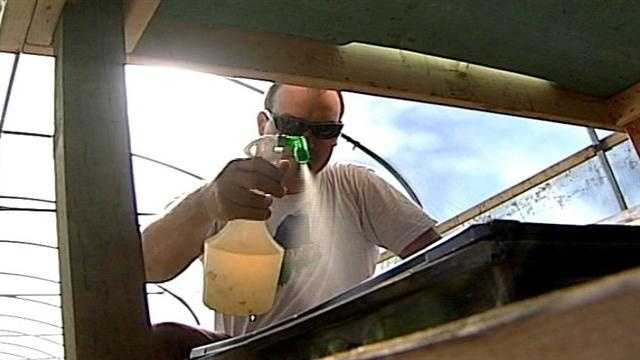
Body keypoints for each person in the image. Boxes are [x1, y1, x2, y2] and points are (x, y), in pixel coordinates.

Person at [143, 83, 441, 359]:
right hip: (246, 352)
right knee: (165, 341)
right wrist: (205, 204)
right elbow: (145, 266)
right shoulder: (226, 194)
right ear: (263, 125)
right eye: (291, 125)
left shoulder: (354, 186)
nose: (305, 143)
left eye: (324, 130)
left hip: (337, 350)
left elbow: (434, 259)